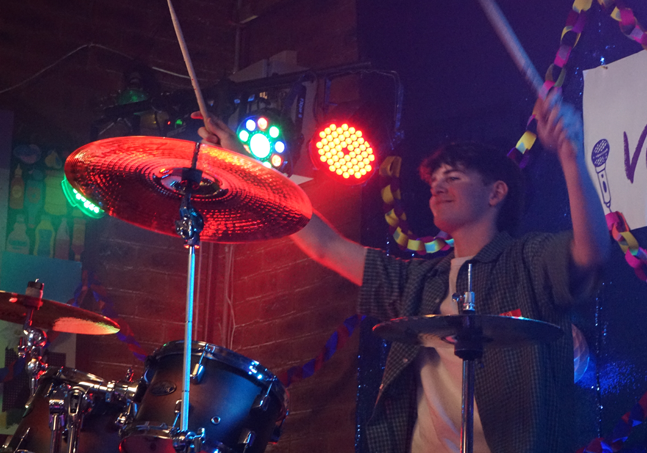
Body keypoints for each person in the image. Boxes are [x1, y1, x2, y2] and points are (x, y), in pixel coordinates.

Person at [199, 91, 609, 452]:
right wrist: (247, 166)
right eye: (434, 180)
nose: (437, 187)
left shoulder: (529, 260)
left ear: (496, 192)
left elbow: (590, 252)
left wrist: (572, 158)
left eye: (454, 176)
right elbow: (325, 245)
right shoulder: (419, 281)